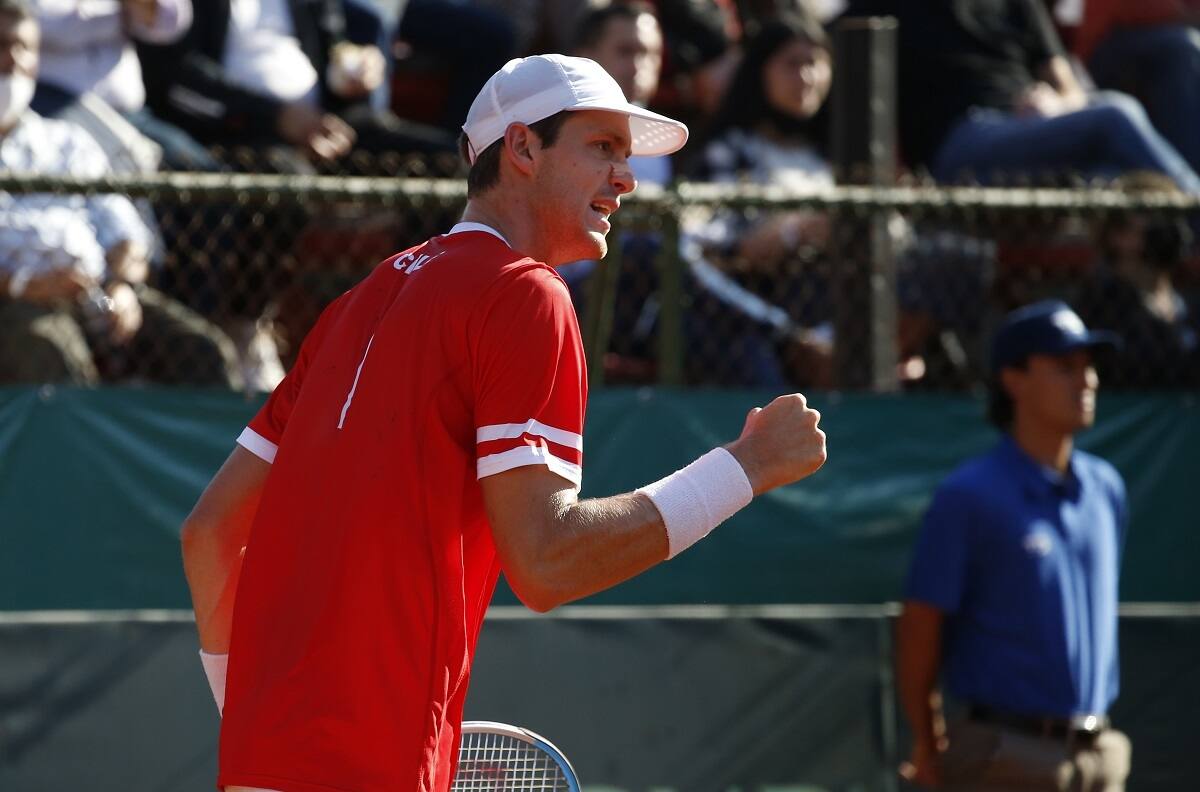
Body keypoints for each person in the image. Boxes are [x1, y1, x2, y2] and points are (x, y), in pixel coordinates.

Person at [180, 53, 827, 792]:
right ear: (522, 147)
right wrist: (744, 469)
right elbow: (548, 561)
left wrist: (252, 717)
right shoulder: (526, 297)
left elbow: (209, 534)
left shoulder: (353, 304)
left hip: (260, 765)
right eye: (602, 147)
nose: (626, 178)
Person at [896, 299, 1131, 791]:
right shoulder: (969, 496)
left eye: (1088, 367)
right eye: (1065, 367)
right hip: (1005, 757)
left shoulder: (1106, 489)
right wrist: (927, 739)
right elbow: (921, 626)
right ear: (1014, 380)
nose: (1086, 381)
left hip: (1101, 756)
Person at [0, 0, 241, 386]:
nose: (13, 59)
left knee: (203, 351)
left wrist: (122, 286)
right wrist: (24, 286)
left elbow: (124, 227)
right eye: (1, 45)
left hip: (96, 294)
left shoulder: (67, 140)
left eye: (23, 47)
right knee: (52, 353)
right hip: (14, 302)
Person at [851, 0, 1200, 193]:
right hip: (962, 140)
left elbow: (1069, 88)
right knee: (1116, 113)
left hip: (1038, 128)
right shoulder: (888, 4)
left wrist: (1056, 106)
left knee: (1116, 178)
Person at [684, 11, 836, 387]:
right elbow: (711, 251)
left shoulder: (832, 158)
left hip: (837, 311)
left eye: (815, 63)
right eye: (792, 64)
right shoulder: (730, 151)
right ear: (760, 72)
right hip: (751, 317)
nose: (806, 77)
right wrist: (794, 232)